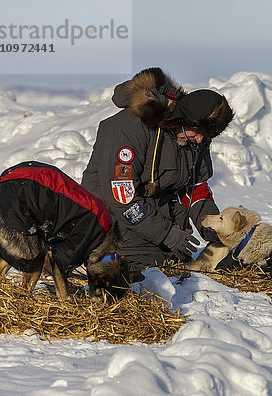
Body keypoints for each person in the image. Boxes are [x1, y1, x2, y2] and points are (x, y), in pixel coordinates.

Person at [82, 67, 233, 281]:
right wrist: (166, 234)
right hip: (113, 226)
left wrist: (210, 225)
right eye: (198, 132)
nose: (200, 140)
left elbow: (195, 189)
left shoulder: (192, 136)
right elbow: (122, 199)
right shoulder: (128, 128)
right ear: (183, 118)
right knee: (152, 279)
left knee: (194, 272)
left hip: (160, 225)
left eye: (206, 135)